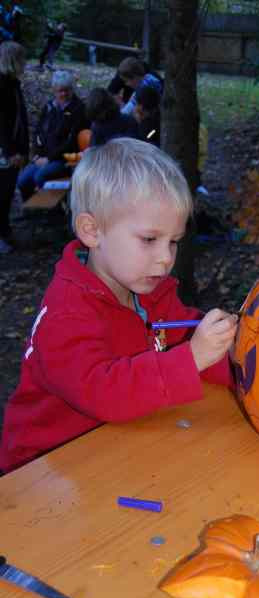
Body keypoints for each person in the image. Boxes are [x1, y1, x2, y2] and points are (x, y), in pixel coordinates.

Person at [0, 138, 238, 473]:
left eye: (173, 242)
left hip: (117, 446)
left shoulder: (151, 291)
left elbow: (186, 337)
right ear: (92, 231)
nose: (166, 258)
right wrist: (193, 358)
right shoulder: (66, 314)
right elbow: (104, 393)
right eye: (149, 239)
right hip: (45, 470)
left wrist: (240, 360)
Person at [17, 69, 88, 200]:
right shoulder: (49, 107)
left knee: (40, 176)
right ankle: (31, 207)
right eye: (60, 90)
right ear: (54, 90)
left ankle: (51, 208)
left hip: (64, 159)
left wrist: (49, 159)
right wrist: (37, 154)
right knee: (22, 181)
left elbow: (71, 142)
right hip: (43, 157)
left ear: (72, 89)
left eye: (67, 90)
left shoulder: (79, 109)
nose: (64, 94)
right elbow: (38, 132)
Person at [0, 41, 28, 253]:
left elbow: (20, 119)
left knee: (8, 191)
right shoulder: (2, 85)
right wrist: (11, 151)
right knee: (2, 192)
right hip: (4, 151)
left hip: (13, 149)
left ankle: (5, 230)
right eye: (21, 58)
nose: (24, 62)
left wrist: (24, 149)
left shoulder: (13, 83)